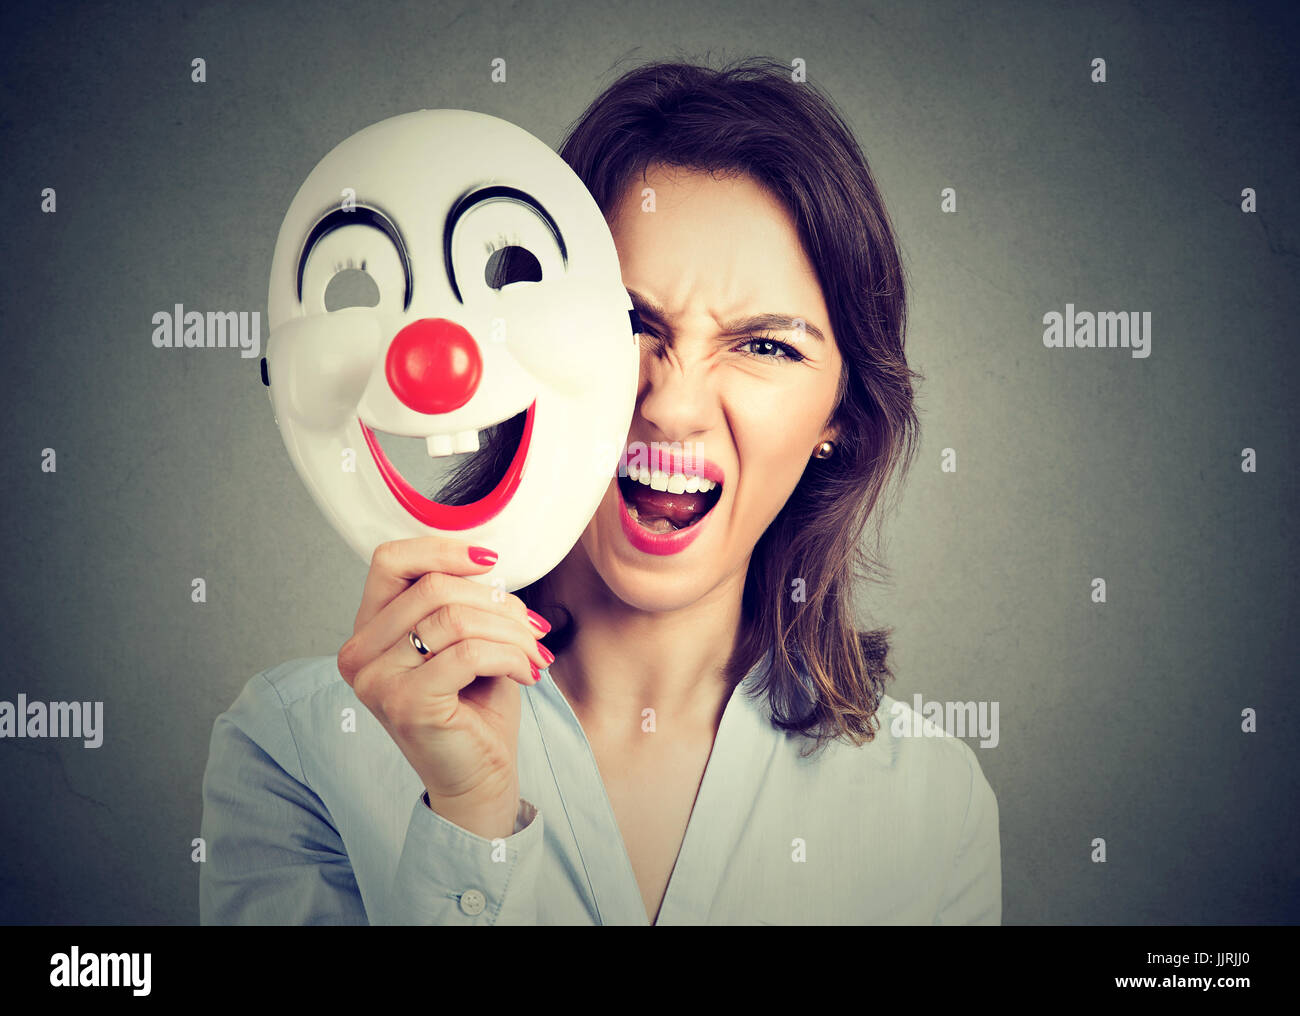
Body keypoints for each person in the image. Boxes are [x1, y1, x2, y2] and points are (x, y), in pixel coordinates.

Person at [200, 57, 1001, 926]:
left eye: (766, 347)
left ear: (838, 415)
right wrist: (468, 824)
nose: (674, 404)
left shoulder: (933, 807)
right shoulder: (298, 747)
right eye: (630, 325)